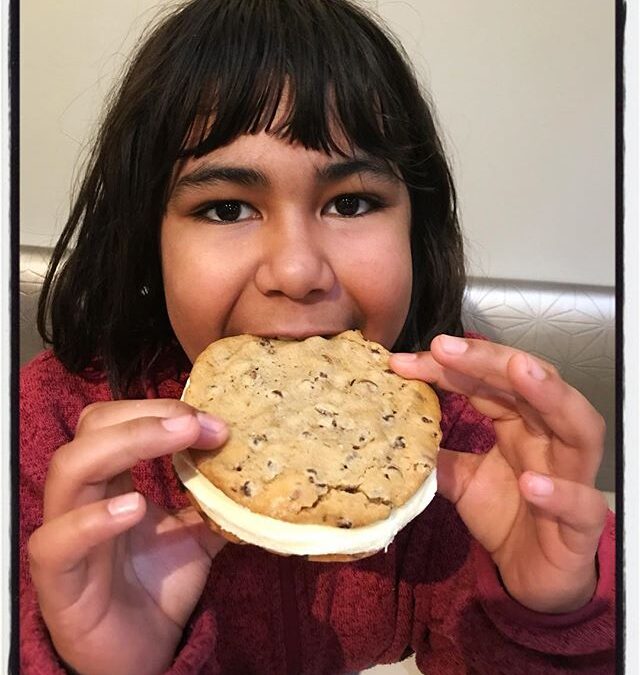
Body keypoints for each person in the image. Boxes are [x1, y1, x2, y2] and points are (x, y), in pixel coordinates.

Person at [19, 0, 615, 673]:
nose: (297, 271)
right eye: (226, 207)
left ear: (416, 229)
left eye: (351, 202)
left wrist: (548, 609)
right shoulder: (54, 436)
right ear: (146, 238)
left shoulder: (470, 444)